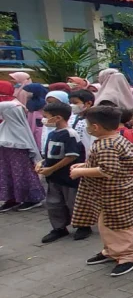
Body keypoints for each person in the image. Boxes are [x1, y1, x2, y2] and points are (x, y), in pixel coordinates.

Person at [71, 106, 133, 276]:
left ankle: (129, 255)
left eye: (88, 125)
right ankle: (112, 250)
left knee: (119, 225)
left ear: (96, 127)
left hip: (116, 193)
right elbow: (110, 163)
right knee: (107, 224)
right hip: (111, 193)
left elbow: (107, 170)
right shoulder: (115, 139)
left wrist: (80, 171)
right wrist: (85, 165)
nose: (87, 128)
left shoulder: (106, 144)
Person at [37, 102, 86, 243]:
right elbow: (51, 154)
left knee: (73, 203)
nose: (44, 120)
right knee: (54, 203)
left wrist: (51, 169)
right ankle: (59, 228)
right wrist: (42, 163)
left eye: (46, 117)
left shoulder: (70, 134)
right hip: (54, 177)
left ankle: (83, 226)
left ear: (58, 118)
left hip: (68, 177)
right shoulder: (53, 134)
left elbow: (71, 156)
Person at [0, 101, 44, 212]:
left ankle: (32, 199)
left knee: (22, 176)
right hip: (5, 161)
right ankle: (12, 198)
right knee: (7, 176)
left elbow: (26, 145)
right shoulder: (3, 126)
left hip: (19, 162)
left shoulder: (19, 129)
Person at [68, 90, 95, 158]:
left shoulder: (94, 119)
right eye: (70, 103)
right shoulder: (71, 117)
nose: (72, 105)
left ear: (88, 103)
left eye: (75, 103)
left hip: (86, 155)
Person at [23, 83, 49, 150]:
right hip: (31, 123)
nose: (27, 93)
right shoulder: (30, 101)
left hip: (39, 124)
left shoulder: (44, 102)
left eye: (29, 91)